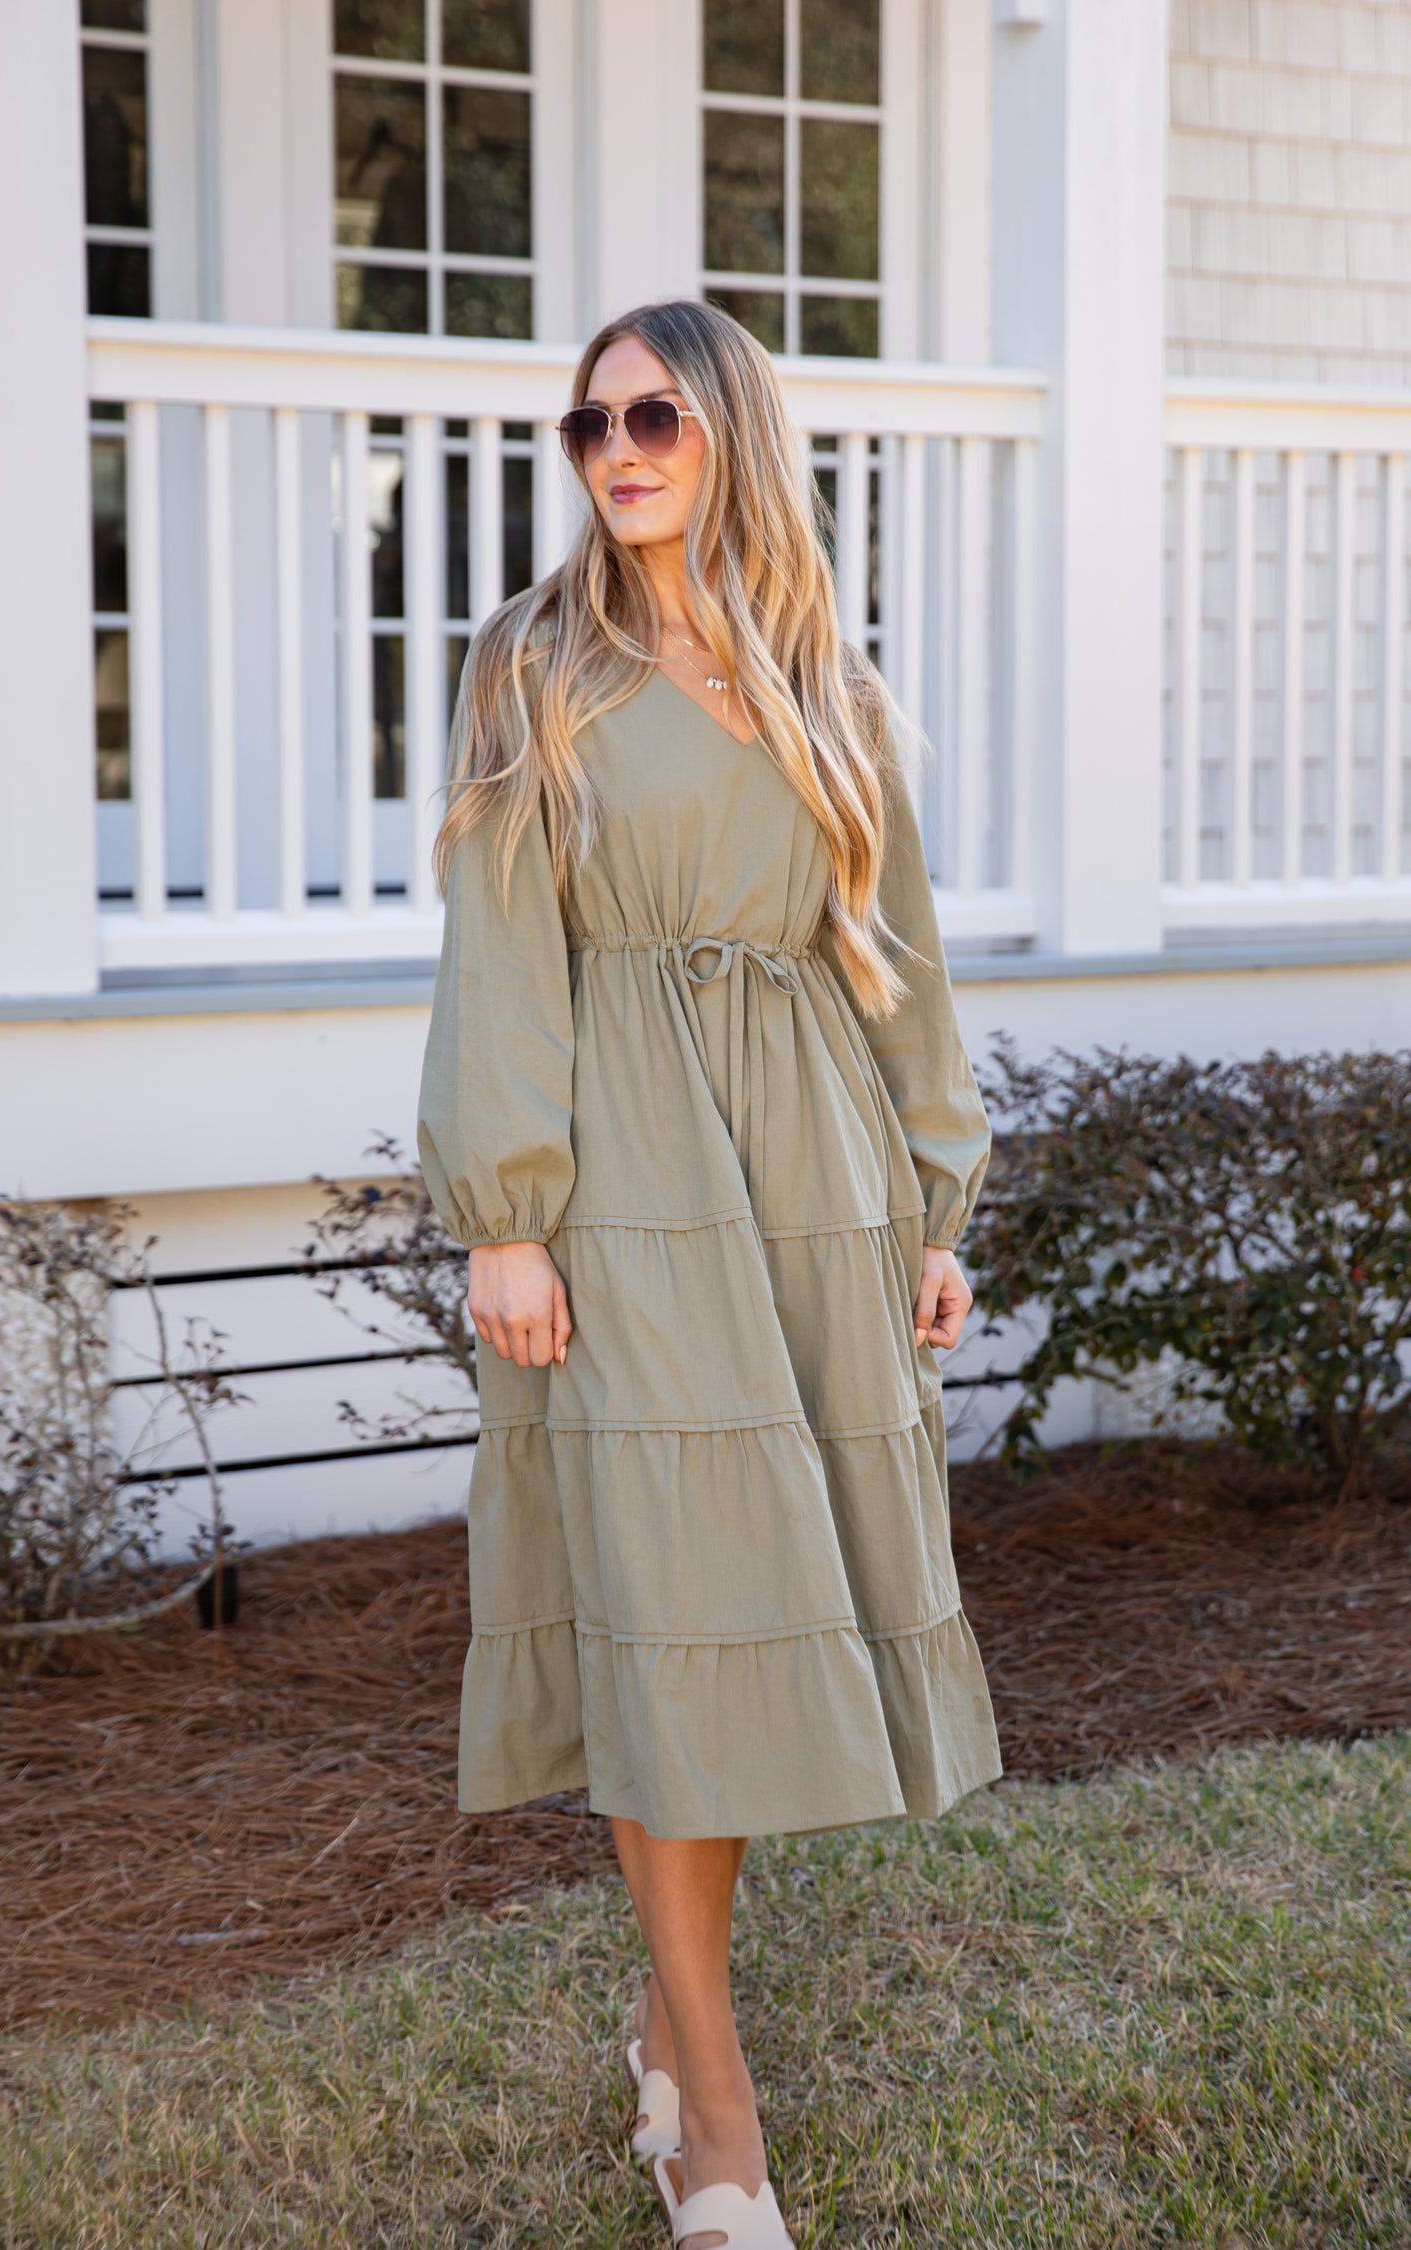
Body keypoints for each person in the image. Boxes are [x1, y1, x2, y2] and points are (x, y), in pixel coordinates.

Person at [416, 298, 1002, 2250]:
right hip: (625, 1182)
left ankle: (669, 2024)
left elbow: (894, 954)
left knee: (743, 1603)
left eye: (655, 414)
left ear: (732, 428)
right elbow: (499, 952)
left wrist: (936, 1198)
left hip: (817, 1177)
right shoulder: (535, 667)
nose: (618, 451)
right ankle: (716, 2116)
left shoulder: (834, 683)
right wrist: (505, 1208)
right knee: (666, 1603)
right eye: (589, 426)